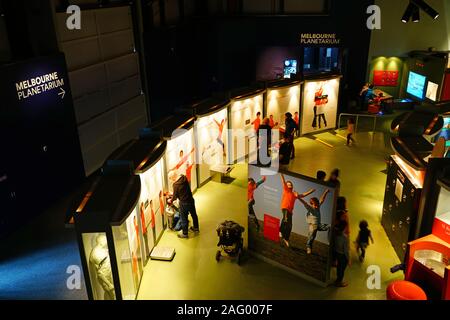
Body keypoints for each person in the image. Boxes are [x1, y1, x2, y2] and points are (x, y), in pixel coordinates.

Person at [280, 173, 315, 248]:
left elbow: (303, 195)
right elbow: (283, 181)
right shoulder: (286, 190)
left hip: (290, 211)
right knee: (285, 219)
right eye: (288, 184)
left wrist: (311, 191)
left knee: (290, 225)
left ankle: (286, 239)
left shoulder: (294, 194)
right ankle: (280, 231)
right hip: (285, 207)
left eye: (291, 184)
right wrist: (281, 174)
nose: (290, 185)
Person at [297, 189, 331, 254]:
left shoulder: (318, 206)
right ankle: (308, 247)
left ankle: (330, 241)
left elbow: (322, 199)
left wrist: (325, 192)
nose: (316, 206)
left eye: (317, 205)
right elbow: (305, 203)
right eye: (314, 205)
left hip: (319, 225)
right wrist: (299, 198)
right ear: (311, 204)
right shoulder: (311, 208)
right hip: (313, 226)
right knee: (312, 237)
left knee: (330, 226)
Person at [169, 171, 199, 239]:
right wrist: (173, 193)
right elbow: (182, 190)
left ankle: (185, 234)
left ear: (173, 177)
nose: (171, 180)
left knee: (184, 218)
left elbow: (175, 197)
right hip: (190, 200)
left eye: (170, 178)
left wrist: (170, 200)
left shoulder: (175, 185)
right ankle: (196, 228)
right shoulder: (184, 178)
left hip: (183, 203)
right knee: (194, 215)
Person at [333, 220, 350, 287]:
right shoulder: (344, 238)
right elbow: (345, 250)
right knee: (342, 269)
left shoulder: (335, 234)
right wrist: (348, 259)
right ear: (344, 227)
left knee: (339, 268)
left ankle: (338, 280)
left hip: (337, 253)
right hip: (343, 256)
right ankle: (339, 282)